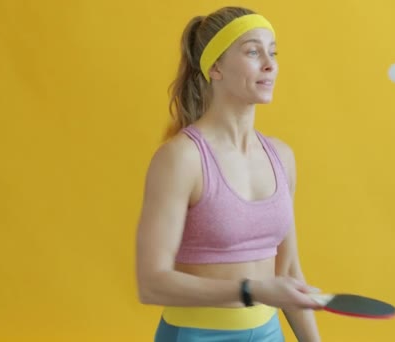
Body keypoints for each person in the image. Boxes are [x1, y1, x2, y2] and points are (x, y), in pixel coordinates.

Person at [135, 6, 322, 341]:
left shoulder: (281, 157)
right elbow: (152, 283)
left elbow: (288, 271)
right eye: (253, 51)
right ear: (216, 67)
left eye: (273, 52)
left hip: (268, 333)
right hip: (196, 335)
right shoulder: (181, 159)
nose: (270, 63)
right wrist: (250, 291)